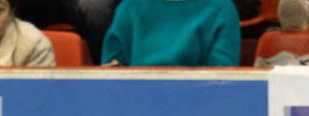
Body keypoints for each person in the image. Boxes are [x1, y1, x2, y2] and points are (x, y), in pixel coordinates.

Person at [99, 0, 238, 67]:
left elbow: (220, 81)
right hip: (136, 108)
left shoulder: (222, 10)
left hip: (199, 110)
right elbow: (112, 78)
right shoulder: (129, 8)